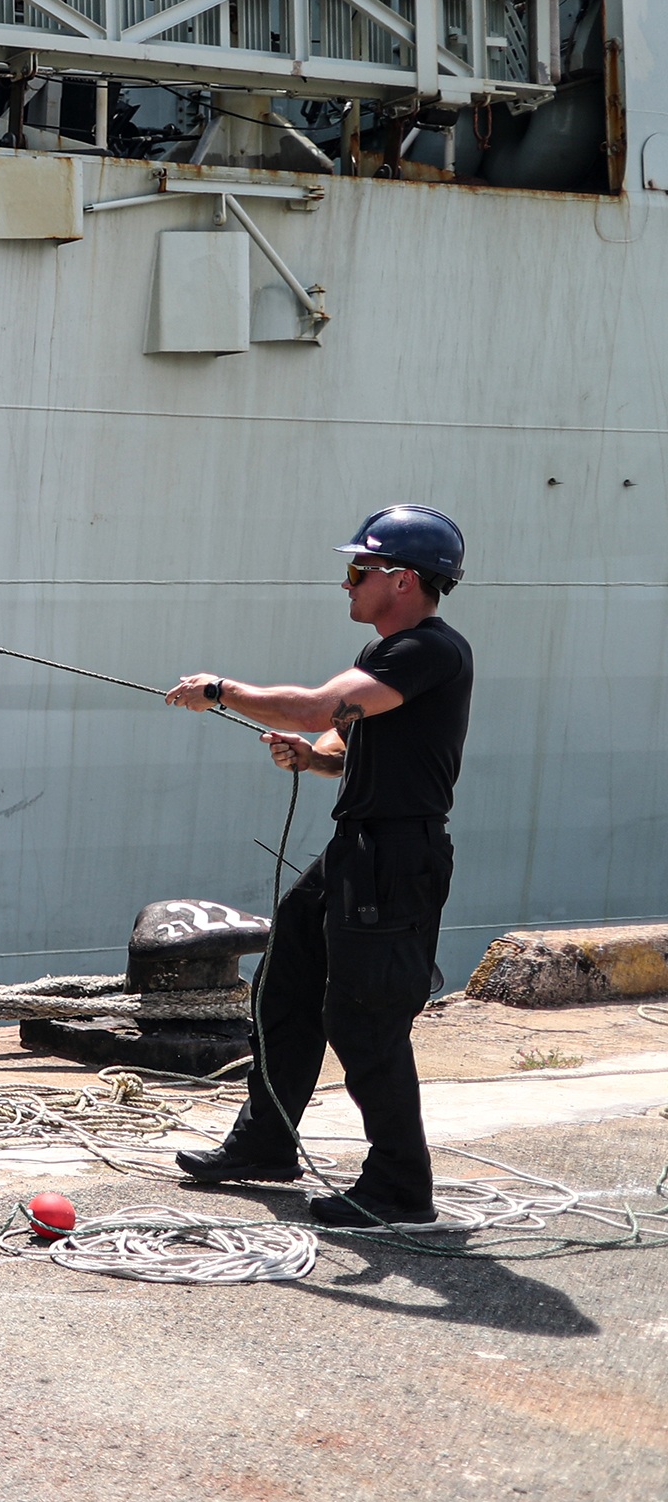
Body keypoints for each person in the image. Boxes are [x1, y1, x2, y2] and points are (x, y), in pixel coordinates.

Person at [163, 504, 473, 1228]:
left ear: (399, 581)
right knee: (285, 985)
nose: (346, 584)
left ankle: (400, 1188)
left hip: (397, 858)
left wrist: (221, 690)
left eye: (357, 570)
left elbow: (316, 707)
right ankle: (264, 1144)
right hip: (357, 850)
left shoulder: (430, 650)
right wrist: (312, 758)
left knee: (363, 1019)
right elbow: (339, 739)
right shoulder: (383, 658)